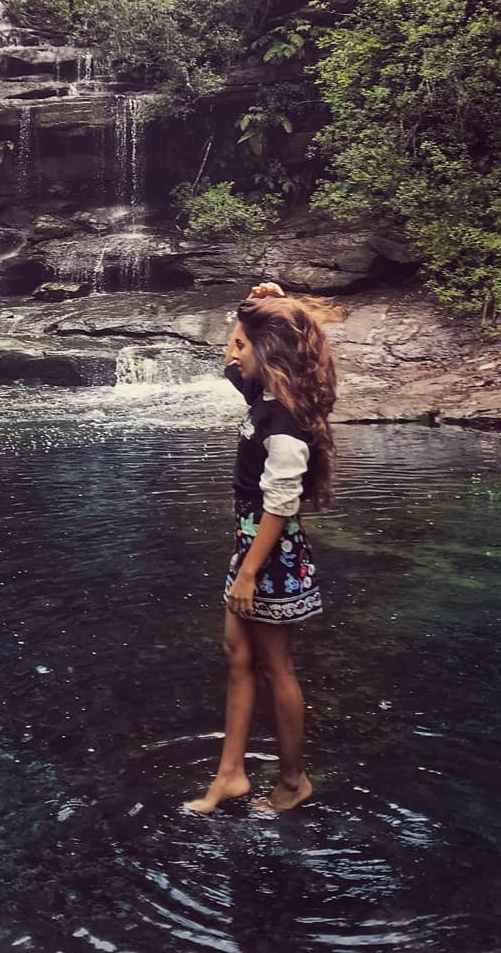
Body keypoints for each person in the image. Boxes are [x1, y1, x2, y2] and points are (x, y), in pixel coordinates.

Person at [186, 280, 341, 815]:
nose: (233, 354)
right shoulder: (264, 396)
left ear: (267, 354)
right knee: (237, 657)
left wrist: (250, 573)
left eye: (243, 345)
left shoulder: (286, 422)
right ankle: (230, 775)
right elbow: (233, 365)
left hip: (269, 556)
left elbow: (281, 505)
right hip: (250, 547)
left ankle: (294, 781)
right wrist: (254, 309)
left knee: (276, 666)